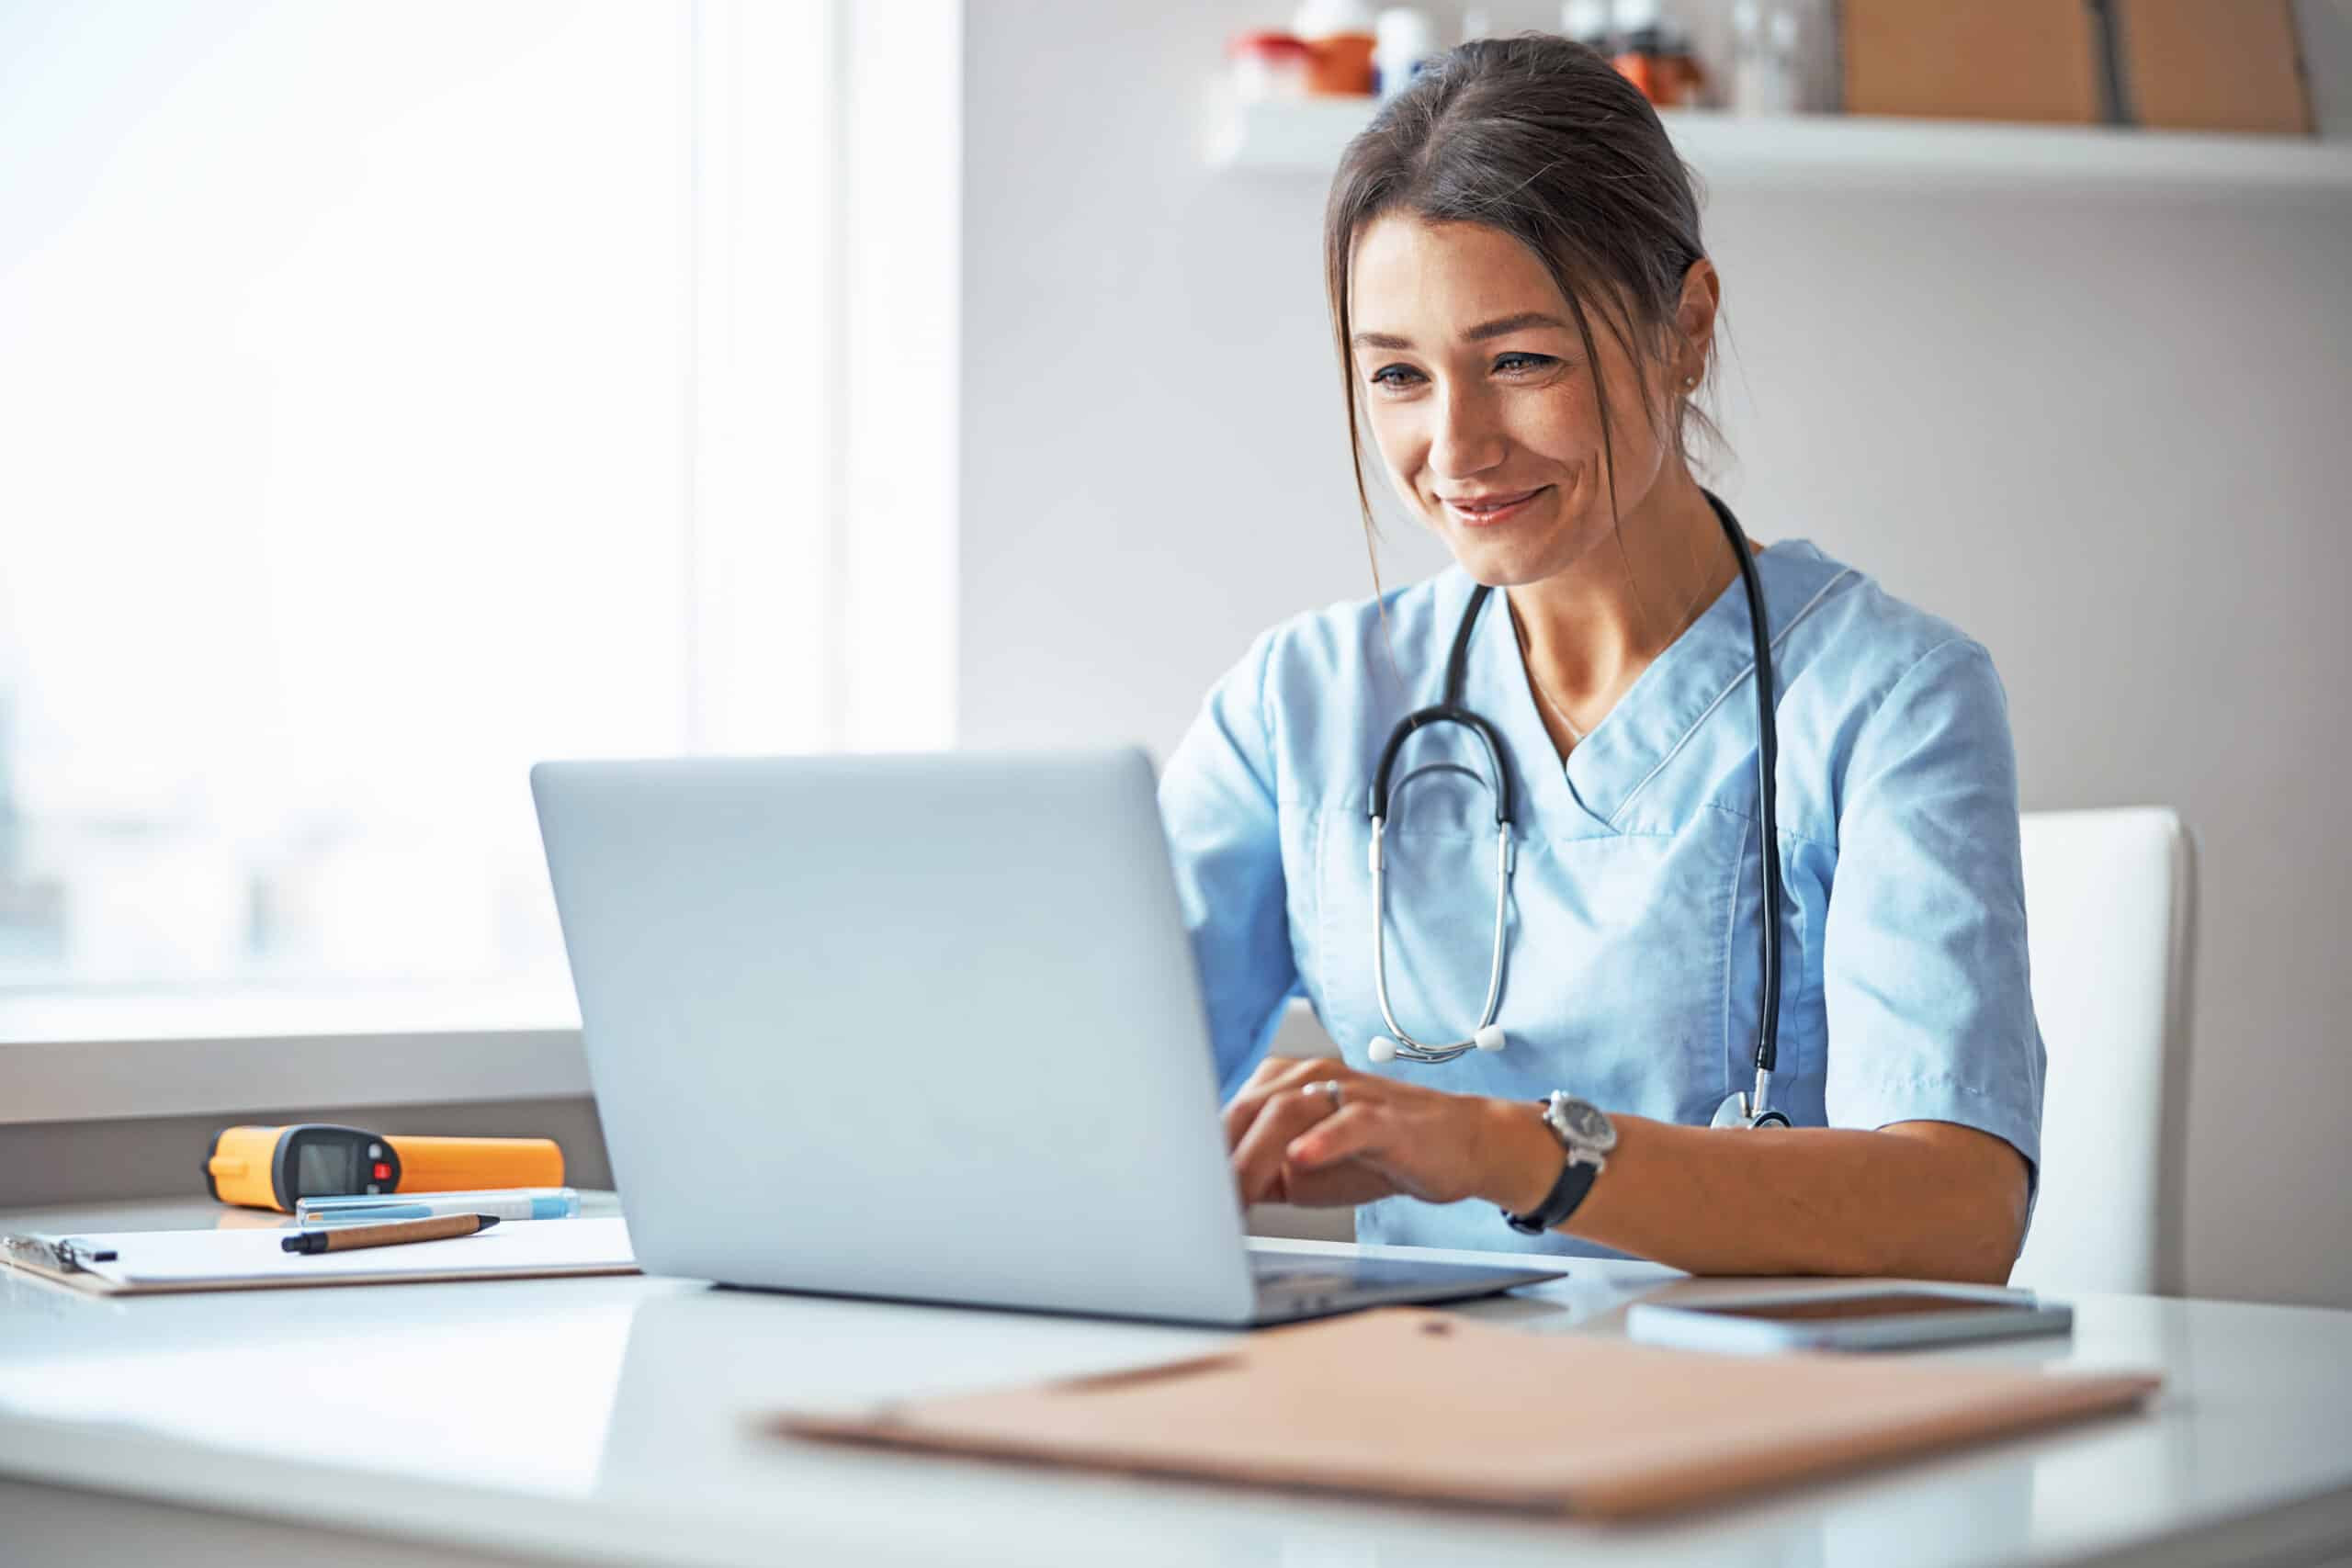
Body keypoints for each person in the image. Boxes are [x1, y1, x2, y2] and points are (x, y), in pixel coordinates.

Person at [1165, 35, 2044, 1282]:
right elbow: (1078, 1100)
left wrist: (1513, 1150)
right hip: (1417, 1420)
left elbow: (1960, 1211)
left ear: (1685, 327)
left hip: (1762, 1428)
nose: (1456, 448)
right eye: (1400, 377)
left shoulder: (1890, 701)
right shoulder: (1298, 707)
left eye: (1521, 361)